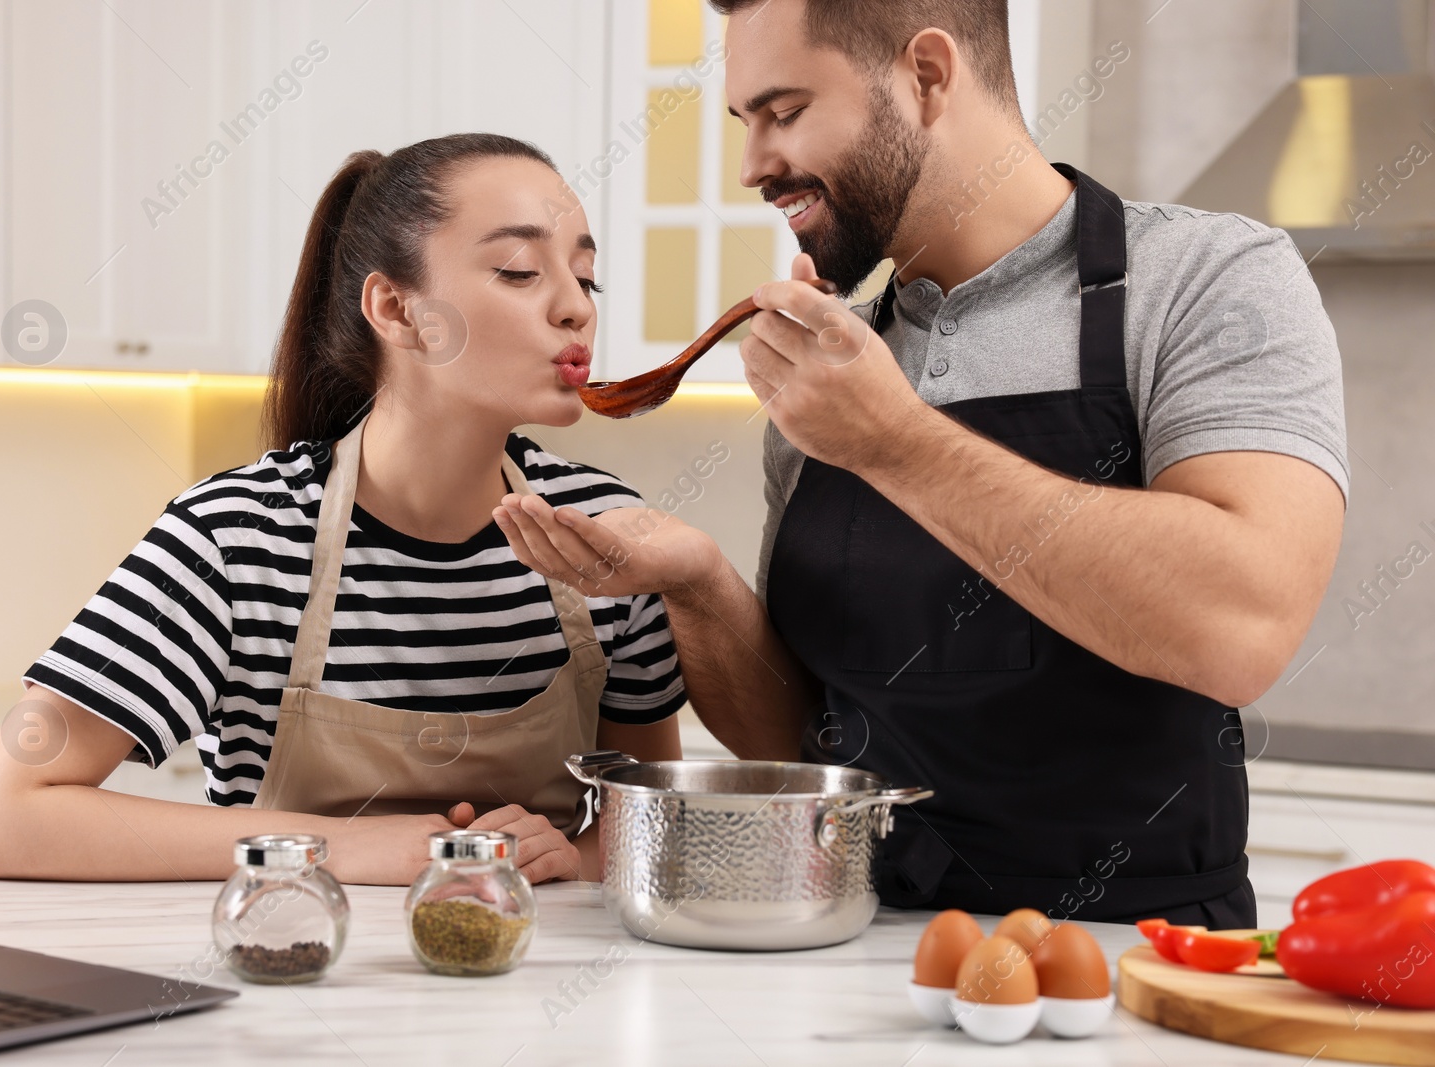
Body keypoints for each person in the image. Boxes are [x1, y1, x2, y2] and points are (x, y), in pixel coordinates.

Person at [493, 0, 1347, 926]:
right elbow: (807, 738)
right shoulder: (836, 365)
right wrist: (697, 581)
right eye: (745, 124)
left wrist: (894, 442)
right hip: (849, 946)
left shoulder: (1207, 277)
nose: (752, 167)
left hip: (1127, 963)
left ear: (929, 76)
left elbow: (1241, 624)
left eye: (784, 112)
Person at [0, 134, 686, 886]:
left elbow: (656, 825)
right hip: (284, 976)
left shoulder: (608, 533)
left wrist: (574, 853)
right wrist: (341, 846)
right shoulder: (236, 538)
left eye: (586, 277)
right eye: (519, 271)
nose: (574, 307)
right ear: (397, 310)